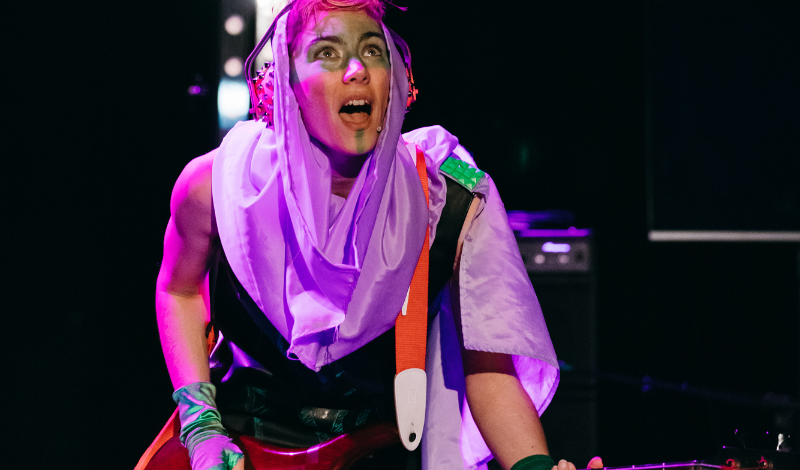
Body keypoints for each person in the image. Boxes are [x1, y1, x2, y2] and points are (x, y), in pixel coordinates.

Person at [142, 1, 602, 469]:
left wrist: (536, 466)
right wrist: (201, 429)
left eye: (372, 50)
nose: (357, 69)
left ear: (398, 82)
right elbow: (178, 291)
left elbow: (489, 370)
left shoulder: (448, 200)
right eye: (327, 53)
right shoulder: (216, 186)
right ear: (285, 84)